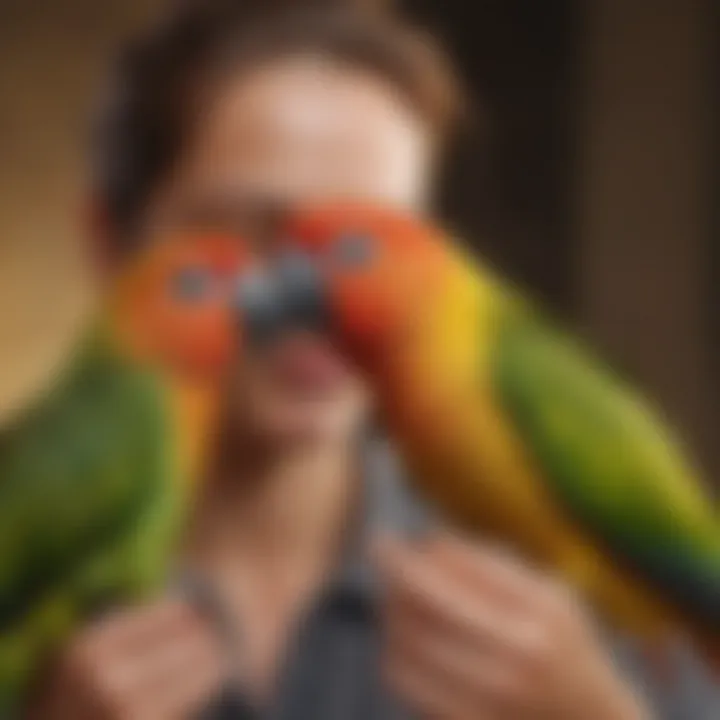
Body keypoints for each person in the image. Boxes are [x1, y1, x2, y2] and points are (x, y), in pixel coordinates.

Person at [26, 0, 713, 717]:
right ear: (110, 249)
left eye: (373, 240)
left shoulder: (561, 578)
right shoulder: (32, 562)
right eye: (251, 233)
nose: (320, 297)